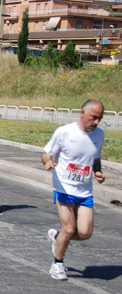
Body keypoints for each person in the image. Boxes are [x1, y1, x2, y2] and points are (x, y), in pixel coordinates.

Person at [42, 99, 105, 281]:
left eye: (100, 118)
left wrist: (98, 171)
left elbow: (95, 157)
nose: (96, 122)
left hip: (84, 190)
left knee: (85, 233)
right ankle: (57, 263)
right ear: (82, 113)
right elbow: (46, 152)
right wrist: (47, 162)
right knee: (69, 229)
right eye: (94, 117)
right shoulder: (64, 132)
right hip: (64, 186)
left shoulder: (99, 135)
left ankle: (58, 237)